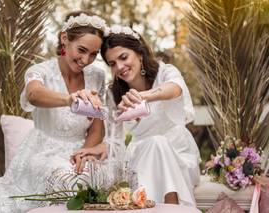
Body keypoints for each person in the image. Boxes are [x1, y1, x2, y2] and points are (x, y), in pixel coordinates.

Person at [72, 25, 201, 207]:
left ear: (139, 54)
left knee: (158, 143)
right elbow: (115, 141)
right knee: (153, 144)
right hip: (140, 155)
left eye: (124, 57)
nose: (120, 67)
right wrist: (96, 149)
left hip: (178, 153)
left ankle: (172, 209)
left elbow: (175, 89)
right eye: (112, 63)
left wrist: (143, 96)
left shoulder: (165, 72)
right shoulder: (113, 94)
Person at [0, 11, 108, 213]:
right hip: (43, 153)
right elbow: (34, 94)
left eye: (93, 54)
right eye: (81, 50)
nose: (85, 59)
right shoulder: (39, 71)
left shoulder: (97, 76)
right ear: (65, 39)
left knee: (99, 178)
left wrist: (85, 152)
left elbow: (97, 129)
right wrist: (69, 99)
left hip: (81, 152)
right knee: (64, 177)